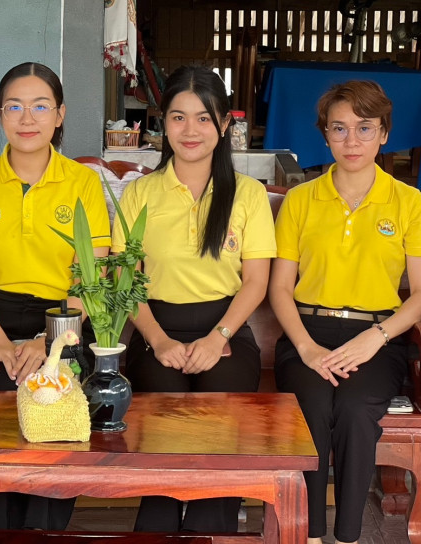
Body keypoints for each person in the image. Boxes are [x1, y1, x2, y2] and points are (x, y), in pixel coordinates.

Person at [269, 80, 421, 544]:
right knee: (310, 406)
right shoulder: (301, 200)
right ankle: (307, 534)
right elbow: (280, 288)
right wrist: (306, 347)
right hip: (307, 332)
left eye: (365, 128)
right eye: (339, 128)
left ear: (384, 133)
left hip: (377, 338)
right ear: (324, 134)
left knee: (353, 409)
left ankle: (347, 536)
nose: (352, 141)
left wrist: (376, 338)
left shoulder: (408, 202)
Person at [0, 61, 111, 529]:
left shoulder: (83, 182)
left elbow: (90, 281)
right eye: (14, 107)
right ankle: (0, 532)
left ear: (60, 115)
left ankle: (41, 532)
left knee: (57, 393)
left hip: (64, 322)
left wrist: (47, 341)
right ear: (0, 114)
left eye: (40, 107)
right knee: (2, 386)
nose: (26, 118)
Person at [112, 65, 277, 533]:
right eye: (178, 117)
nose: (191, 130)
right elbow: (126, 280)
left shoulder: (247, 194)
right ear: (163, 124)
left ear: (223, 125)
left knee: (219, 416)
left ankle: (212, 529)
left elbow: (256, 283)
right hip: (155, 331)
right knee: (161, 417)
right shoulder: (139, 193)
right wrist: (158, 340)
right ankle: (157, 530)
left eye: (204, 118)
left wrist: (217, 337)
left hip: (225, 329)